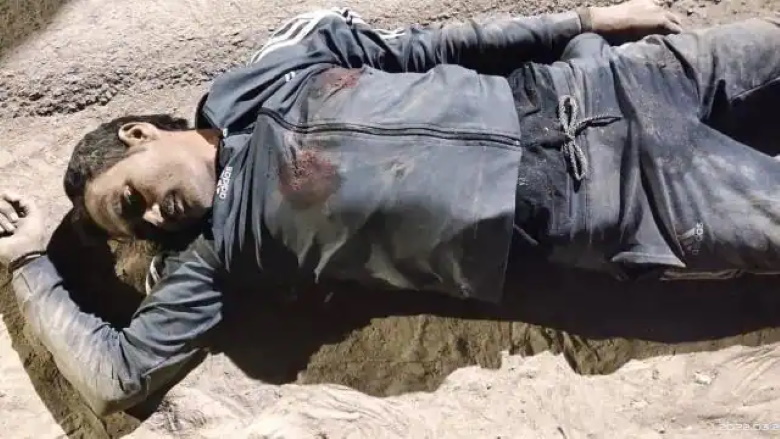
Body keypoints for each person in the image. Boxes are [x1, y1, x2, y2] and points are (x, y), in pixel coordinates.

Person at [0, 0, 776, 416]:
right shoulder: (214, 257)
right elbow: (117, 375)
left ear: (139, 134)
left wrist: (583, 23)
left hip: (608, 81)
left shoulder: (260, 78)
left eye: (130, 198)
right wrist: (30, 260)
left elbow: (417, 48)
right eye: (135, 227)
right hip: (622, 203)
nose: (152, 219)